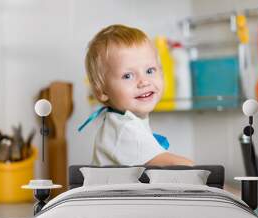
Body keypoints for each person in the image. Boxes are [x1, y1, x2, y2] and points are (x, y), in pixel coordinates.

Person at [79, 24, 194, 166]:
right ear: (101, 92)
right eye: (128, 76)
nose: (144, 82)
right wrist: (209, 177)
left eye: (150, 71)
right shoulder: (124, 129)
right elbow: (176, 167)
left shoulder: (122, 122)